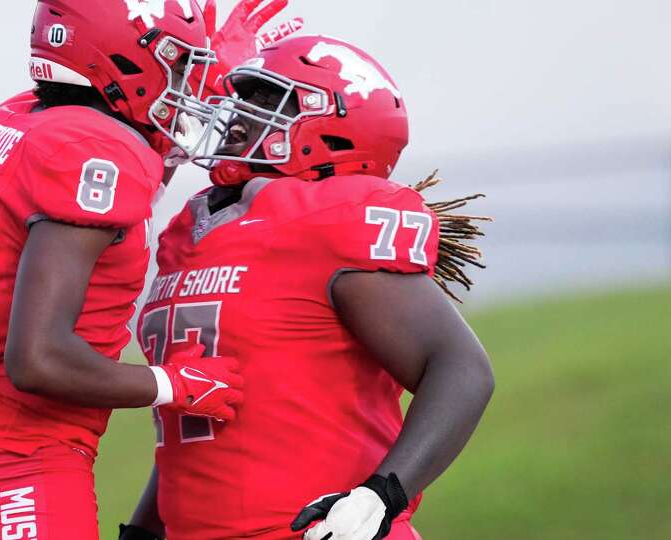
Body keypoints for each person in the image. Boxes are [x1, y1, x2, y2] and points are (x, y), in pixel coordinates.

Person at [0, 1, 294, 539]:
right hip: (13, 453)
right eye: (178, 64)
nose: (188, 84)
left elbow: (118, 198)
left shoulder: (29, 115)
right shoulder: (93, 147)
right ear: (122, 57)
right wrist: (171, 385)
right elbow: (38, 359)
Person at [121, 35, 495, 540]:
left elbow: (462, 368)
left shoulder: (331, 219)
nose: (237, 115)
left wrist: (382, 494)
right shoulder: (193, 230)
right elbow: (194, 426)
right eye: (242, 98)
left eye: (265, 102)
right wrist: (147, 527)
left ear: (331, 128)